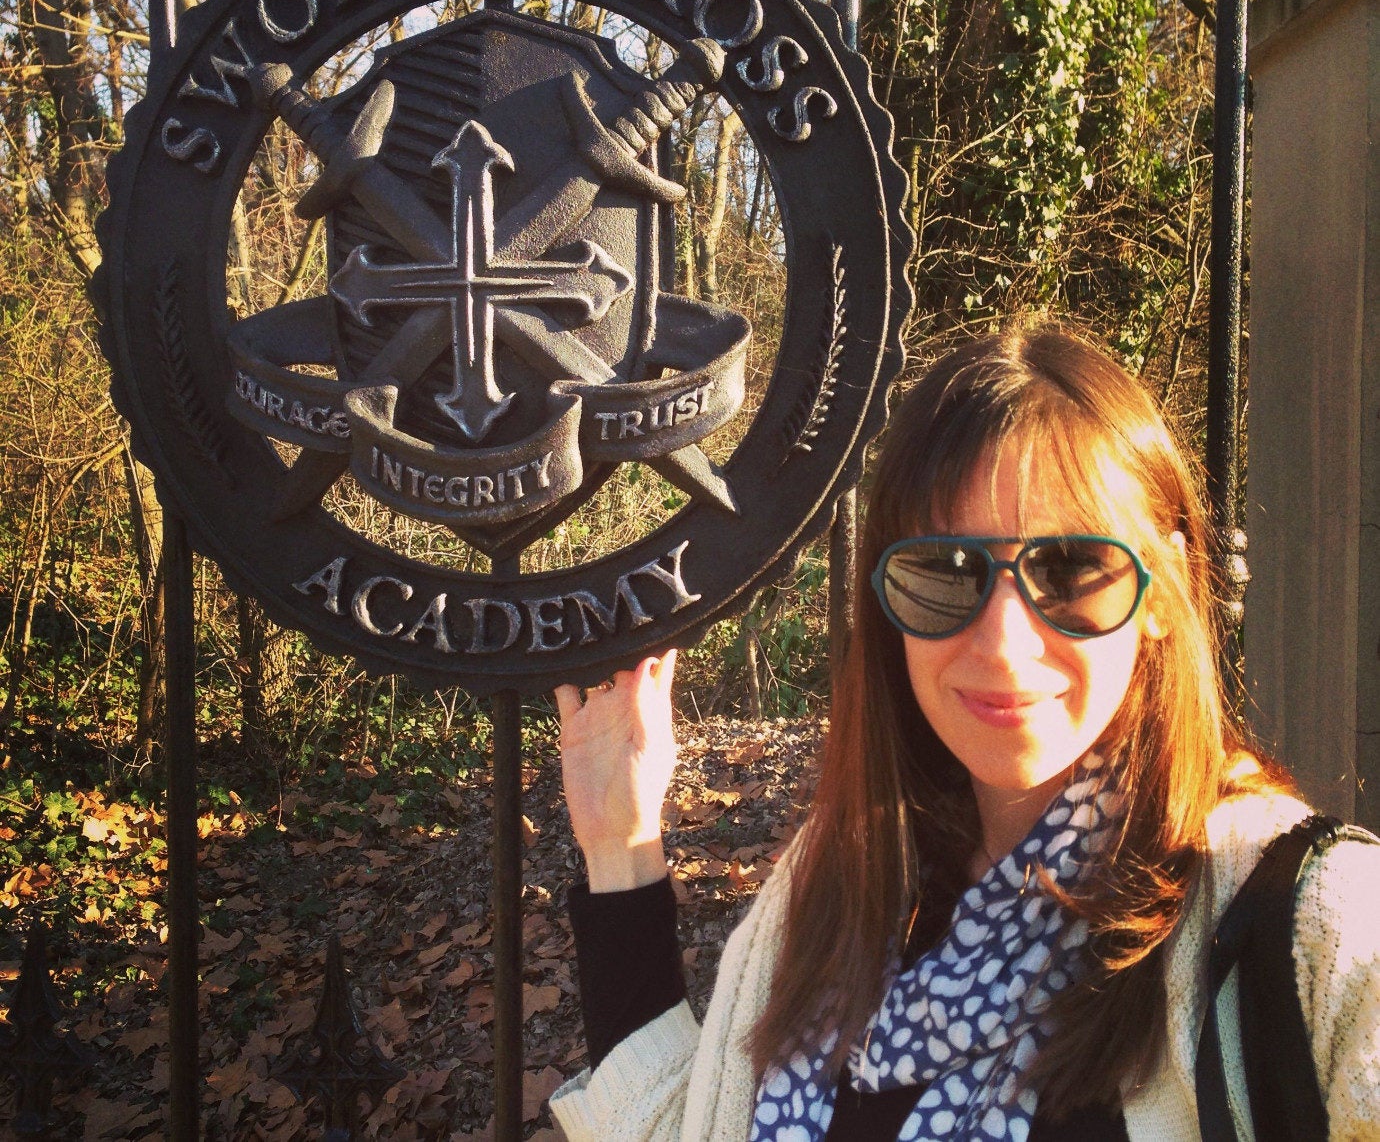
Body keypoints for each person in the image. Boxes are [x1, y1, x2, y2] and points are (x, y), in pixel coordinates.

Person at [548, 322, 1380, 1142]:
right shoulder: (839, 884)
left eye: (1069, 568)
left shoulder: (1303, 921)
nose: (1004, 643)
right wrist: (621, 841)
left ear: (1160, 592)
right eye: (945, 574)